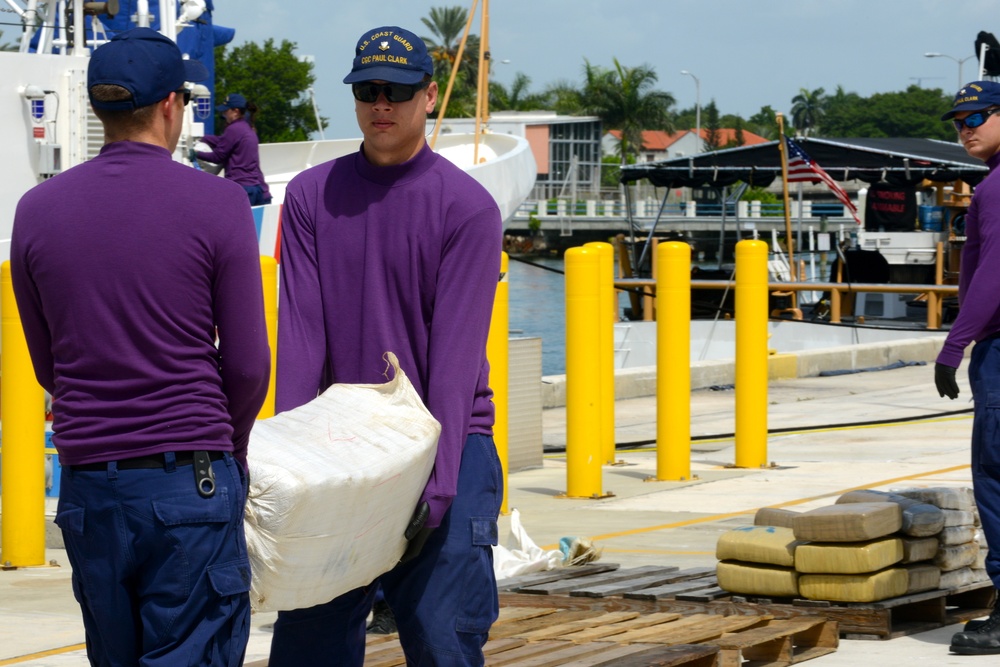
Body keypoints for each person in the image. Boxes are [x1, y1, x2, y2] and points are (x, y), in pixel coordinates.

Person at [10, 27, 271, 666]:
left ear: (100, 111)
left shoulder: (36, 210)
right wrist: (226, 444)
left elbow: (49, 364)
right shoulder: (218, 203)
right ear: (170, 107)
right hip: (188, 478)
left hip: (90, 487)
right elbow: (247, 364)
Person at [267, 25, 503, 666]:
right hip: (342, 448)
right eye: (368, 90)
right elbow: (301, 339)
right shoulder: (313, 197)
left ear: (429, 97)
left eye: (397, 92)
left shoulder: (468, 209)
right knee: (308, 647)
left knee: (439, 639)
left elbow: (453, 362)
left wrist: (440, 481)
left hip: (448, 443)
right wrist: (289, 465)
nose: (381, 105)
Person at [935, 80, 1000, 656]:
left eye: (977, 115)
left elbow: (993, 280)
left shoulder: (997, 189)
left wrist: (953, 349)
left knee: (998, 480)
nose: (966, 127)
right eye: (959, 120)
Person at [194, 92, 272, 205]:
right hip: (256, 189)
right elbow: (223, 141)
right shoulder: (248, 128)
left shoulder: (233, 129)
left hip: (240, 187)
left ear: (235, 111)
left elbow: (217, 157)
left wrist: (195, 153)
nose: (224, 115)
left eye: (226, 111)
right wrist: (205, 138)